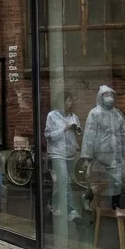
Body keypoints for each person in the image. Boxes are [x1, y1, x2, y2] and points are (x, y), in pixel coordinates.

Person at [80, 85, 125, 213]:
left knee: (117, 183)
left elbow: (124, 136)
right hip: (99, 157)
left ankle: (115, 207)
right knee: (96, 184)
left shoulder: (118, 115)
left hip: (115, 156)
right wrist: (87, 157)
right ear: (100, 97)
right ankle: (88, 198)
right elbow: (89, 136)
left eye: (111, 95)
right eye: (106, 95)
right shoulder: (95, 114)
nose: (110, 98)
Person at [44, 92, 81, 224]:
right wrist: (64, 129)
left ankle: (52, 205)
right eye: (68, 101)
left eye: (71, 101)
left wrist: (77, 131)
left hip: (70, 153)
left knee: (63, 183)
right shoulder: (52, 116)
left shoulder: (74, 117)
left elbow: (76, 134)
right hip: (57, 152)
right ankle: (72, 211)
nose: (70, 104)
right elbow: (48, 135)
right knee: (64, 181)